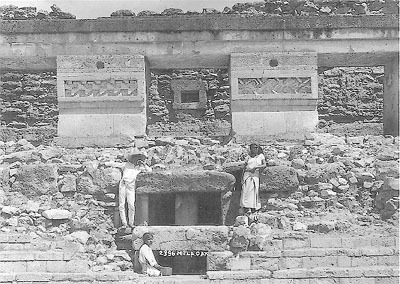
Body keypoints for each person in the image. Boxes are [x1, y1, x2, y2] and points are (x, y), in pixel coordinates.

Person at [119, 148, 152, 229]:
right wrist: (105, 163)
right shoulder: (126, 165)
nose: (136, 159)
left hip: (131, 186)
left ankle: (131, 223)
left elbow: (150, 171)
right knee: (122, 204)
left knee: (131, 205)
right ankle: (124, 223)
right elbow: (115, 164)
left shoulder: (139, 167)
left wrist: (143, 164)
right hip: (123, 184)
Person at [240, 143, 266, 214]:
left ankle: (253, 208)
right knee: (246, 191)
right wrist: (242, 177)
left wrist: (255, 167)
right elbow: (244, 167)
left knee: (254, 191)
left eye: (257, 147)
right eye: (254, 147)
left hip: (255, 175)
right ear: (251, 149)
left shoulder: (261, 156)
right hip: (247, 174)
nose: (256, 149)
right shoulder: (248, 157)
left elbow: (264, 165)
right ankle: (246, 208)